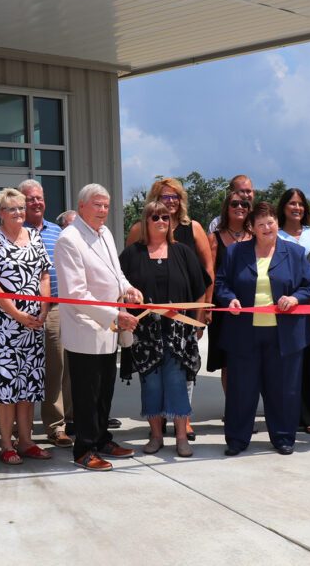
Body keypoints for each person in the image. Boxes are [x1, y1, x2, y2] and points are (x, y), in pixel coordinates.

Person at [214, 201, 310, 456]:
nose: (267, 228)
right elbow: (221, 283)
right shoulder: (235, 252)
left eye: (270, 222)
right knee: (241, 389)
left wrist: (295, 298)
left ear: (277, 223)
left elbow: (309, 286)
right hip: (243, 333)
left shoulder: (295, 253)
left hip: (284, 335)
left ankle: (283, 437)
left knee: (284, 389)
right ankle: (236, 439)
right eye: (261, 224)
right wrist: (229, 299)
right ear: (252, 227)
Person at [56, 183, 142, 471]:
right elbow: (76, 294)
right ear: (81, 206)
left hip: (109, 328)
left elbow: (116, 274)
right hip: (86, 329)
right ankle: (84, 449)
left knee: (104, 391)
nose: (103, 210)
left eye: (106, 205)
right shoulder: (69, 239)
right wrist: (115, 316)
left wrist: (128, 289)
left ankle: (102, 439)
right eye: (97, 205)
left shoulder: (104, 232)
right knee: (87, 395)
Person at [125, 177, 213, 440]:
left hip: (180, 325)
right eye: (165, 198)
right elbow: (123, 279)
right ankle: (157, 431)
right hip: (146, 329)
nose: (163, 216)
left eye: (175, 197)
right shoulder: (136, 241)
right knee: (152, 380)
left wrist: (200, 316)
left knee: (179, 377)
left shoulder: (188, 236)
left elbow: (205, 274)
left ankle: (183, 428)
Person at [0, 188, 53, 465]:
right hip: (2, 326)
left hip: (32, 324)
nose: (19, 212)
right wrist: (16, 314)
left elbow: (44, 275)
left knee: (28, 384)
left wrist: (43, 308)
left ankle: (27, 441)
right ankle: (7, 444)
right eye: (12, 209)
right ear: (1, 213)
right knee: (6, 386)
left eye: (22, 207)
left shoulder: (34, 236)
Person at [19, 179, 72, 448]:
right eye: (30, 199)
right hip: (23, 311)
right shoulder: (15, 231)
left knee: (57, 368)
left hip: (55, 309)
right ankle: (22, 429)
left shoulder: (57, 231)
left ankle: (56, 426)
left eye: (39, 198)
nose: (36, 202)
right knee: (23, 368)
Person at [277, 187, 310, 436]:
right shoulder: (275, 233)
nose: (297, 208)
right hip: (283, 304)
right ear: (283, 207)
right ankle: (290, 416)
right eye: (292, 204)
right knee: (287, 365)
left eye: (300, 204)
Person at [205, 188, 254, 394]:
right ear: (226, 209)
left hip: (252, 306)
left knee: (250, 359)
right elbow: (210, 274)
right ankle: (232, 406)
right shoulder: (214, 237)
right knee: (227, 361)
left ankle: (248, 406)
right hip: (223, 306)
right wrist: (207, 307)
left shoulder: (256, 235)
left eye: (244, 204)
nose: (239, 207)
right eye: (234, 204)